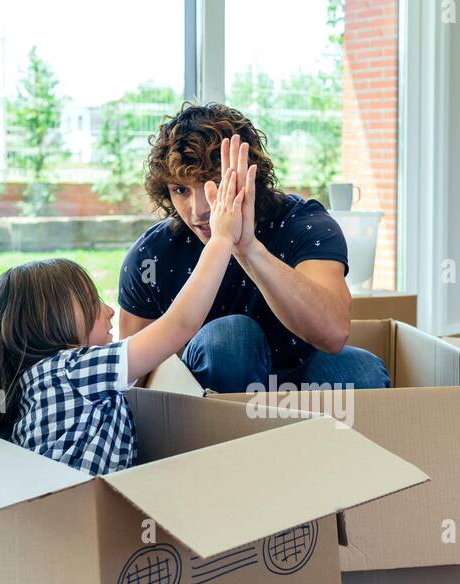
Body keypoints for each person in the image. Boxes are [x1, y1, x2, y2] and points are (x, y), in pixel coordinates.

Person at [0, 141, 249, 473]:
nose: (108, 311)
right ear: (51, 319)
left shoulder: (40, 385)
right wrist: (222, 239)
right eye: (93, 303)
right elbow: (179, 324)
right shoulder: (70, 370)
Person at [118, 104, 390, 394]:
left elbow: (334, 334)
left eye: (215, 184)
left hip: (299, 383)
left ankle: (311, 439)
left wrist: (248, 249)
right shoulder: (154, 255)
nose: (199, 210)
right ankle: (239, 436)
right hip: (210, 400)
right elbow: (132, 379)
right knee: (232, 338)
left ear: (252, 178)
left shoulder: (303, 224)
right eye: (180, 190)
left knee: (360, 370)